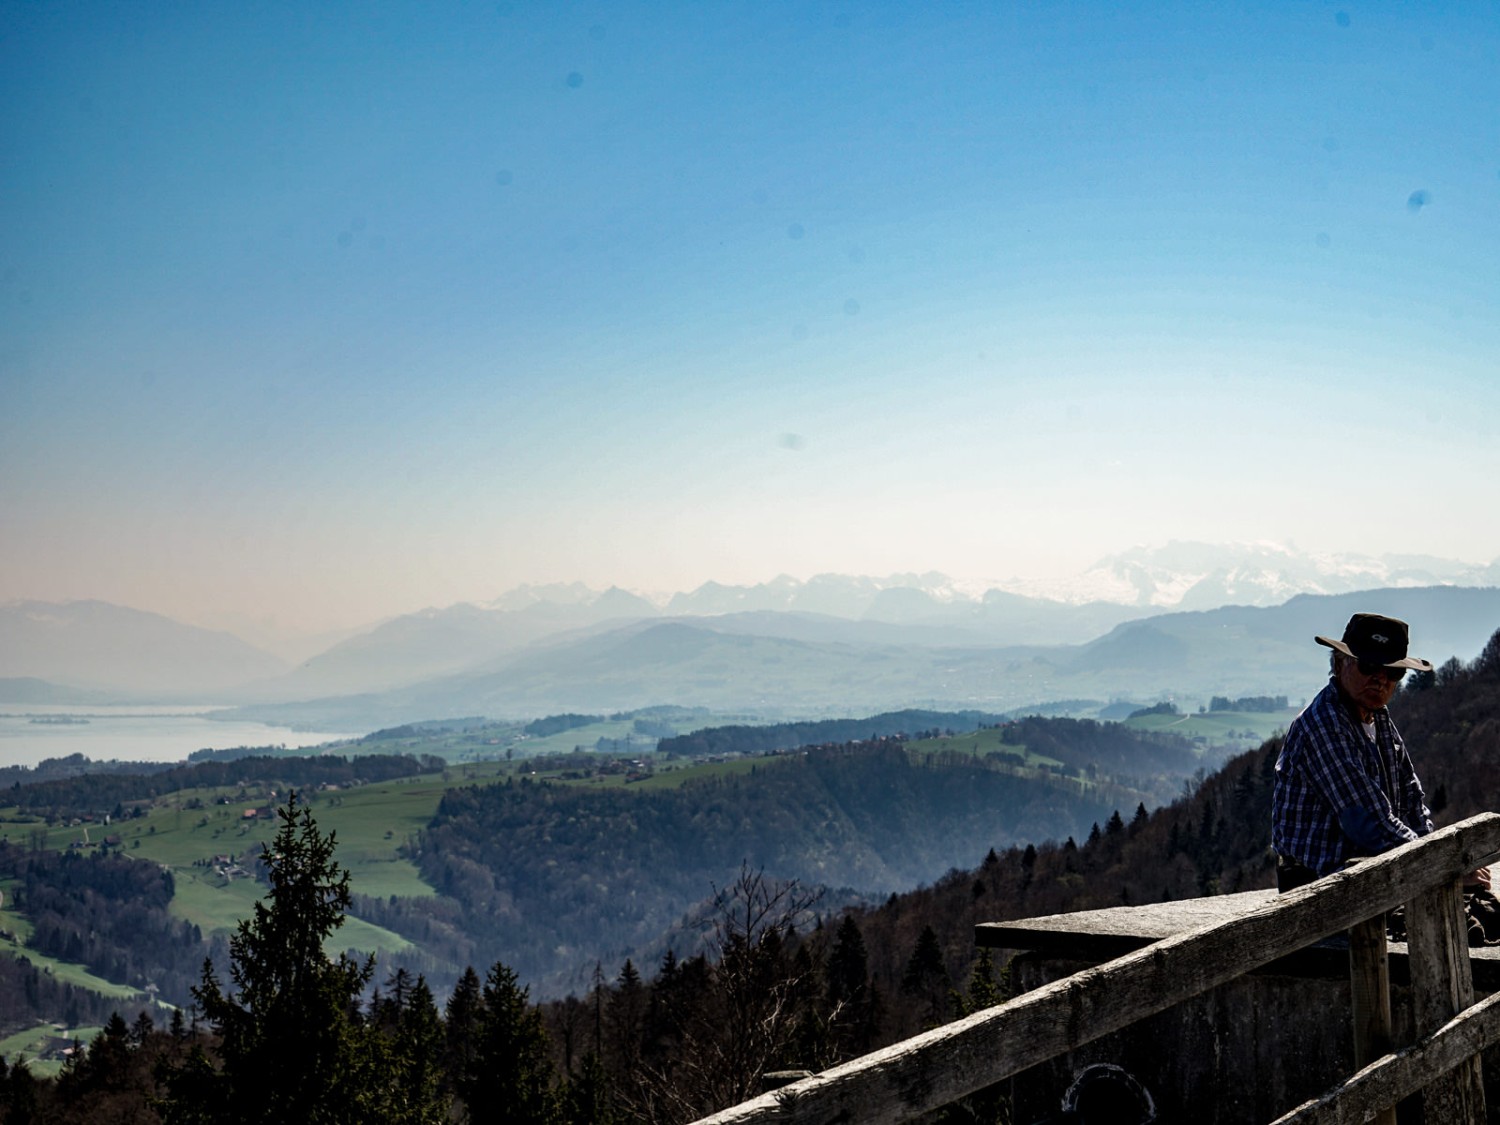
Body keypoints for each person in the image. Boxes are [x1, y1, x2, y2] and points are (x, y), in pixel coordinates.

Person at [1271, 612, 1435, 892]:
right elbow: (1369, 822)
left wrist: (1440, 855)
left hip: (1369, 876)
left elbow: (1412, 804)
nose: (1380, 680)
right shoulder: (1324, 725)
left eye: (1393, 672)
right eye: (1369, 666)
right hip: (1317, 888)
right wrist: (1437, 862)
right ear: (1339, 663)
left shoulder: (1379, 720)